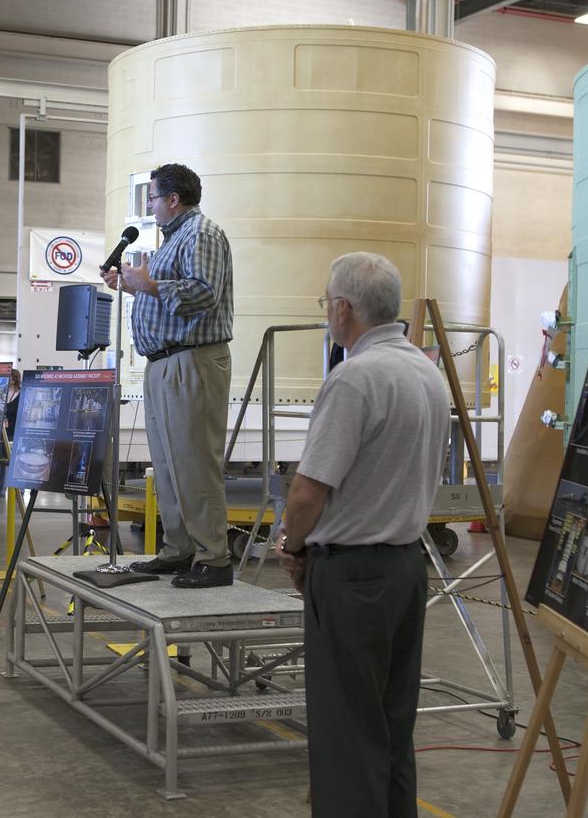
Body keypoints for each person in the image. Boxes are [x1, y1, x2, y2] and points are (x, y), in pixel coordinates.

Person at [274, 252, 448, 818]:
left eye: (327, 301)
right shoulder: (429, 373)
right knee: (391, 728)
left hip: (352, 578)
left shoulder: (355, 379)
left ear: (344, 308)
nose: (327, 310)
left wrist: (292, 548)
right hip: (404, 571)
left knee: (347, 737)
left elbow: (307, 492)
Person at [102, 163, 235, 589]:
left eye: (155, 198)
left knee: (195, 463)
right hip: (165, 363)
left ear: (174, 200)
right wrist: (132, 285)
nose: (153, 207)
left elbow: (203, 293)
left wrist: (151, 285)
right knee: (169, 463)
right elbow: (163, 290)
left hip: (192, 361)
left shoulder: (202, 234)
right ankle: (181, 550)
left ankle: (214, 559)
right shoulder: (173, 241)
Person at [0, 369, 21, 497]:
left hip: (15, 431)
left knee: (15, 462)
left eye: (10, 377)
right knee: (2, 461)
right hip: (3, 431)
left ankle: (19, 491)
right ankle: (0, 489)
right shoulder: (2, 394)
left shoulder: (20, 394)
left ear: (15, 378)